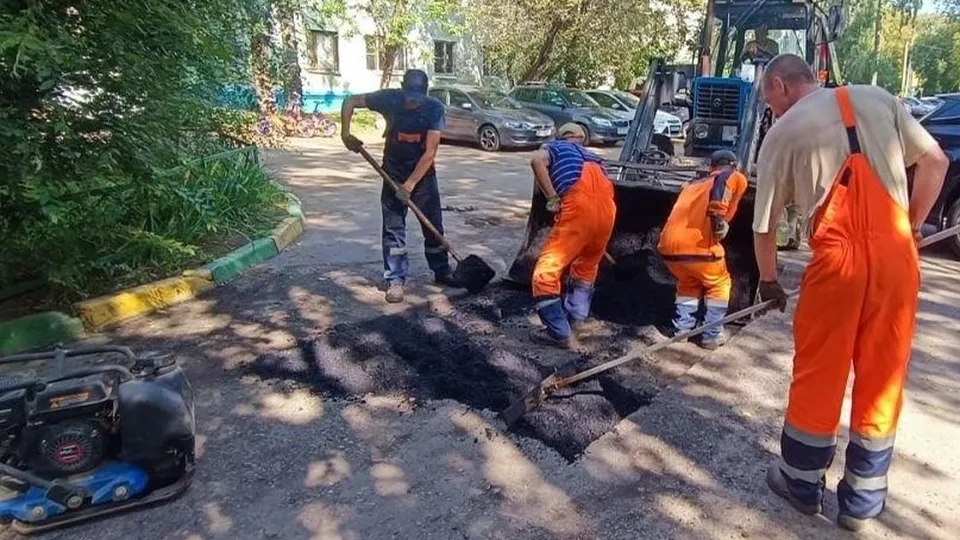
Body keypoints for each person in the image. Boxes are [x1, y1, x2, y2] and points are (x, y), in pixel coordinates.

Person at [753, 54, 948, 531]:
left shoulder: (780, 134)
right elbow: (936, 162)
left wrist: (769, 278)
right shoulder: (880, 99)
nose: (771, 111)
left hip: (836, 263)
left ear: (780, 85)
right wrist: (911, 226)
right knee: (883, 374)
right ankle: (861, 503)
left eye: (769, 100)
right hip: (896, 261)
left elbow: (764, 226)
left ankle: (801, 484)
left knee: (820, 371)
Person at [341, 69, 464, 303]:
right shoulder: (389, 98)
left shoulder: (434, 109)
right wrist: (345, 133)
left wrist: (409, 186)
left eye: (416, 98)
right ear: (402, 89)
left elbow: (429, 154)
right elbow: (351, 101)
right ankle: (395, 279)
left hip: (423, 176)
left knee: (433, 226)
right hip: (392, 173)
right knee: (393, 228)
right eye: (408, 97)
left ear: (425, 94)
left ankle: (442, 271)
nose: (411, 102)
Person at [529, 123, 616, 349]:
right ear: (582, 139)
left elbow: (537, 161)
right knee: (586, 268)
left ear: (561, 137)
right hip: (607, 212)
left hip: (577, 209)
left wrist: (552, 198)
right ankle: (577, 322)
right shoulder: (596, 158)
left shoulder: (556, 147)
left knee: (545, 272)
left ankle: (560, 334)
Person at [656, 150, 748, 350]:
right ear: (734, 165)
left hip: (669, 249)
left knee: (689, 283)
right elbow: (724, 185)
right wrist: (719, 220)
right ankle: (712, 334)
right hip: (699, 247)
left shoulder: (693, 185)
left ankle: (682, 331)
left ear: (710, 167)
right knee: (719, 283)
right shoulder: (732, 175)